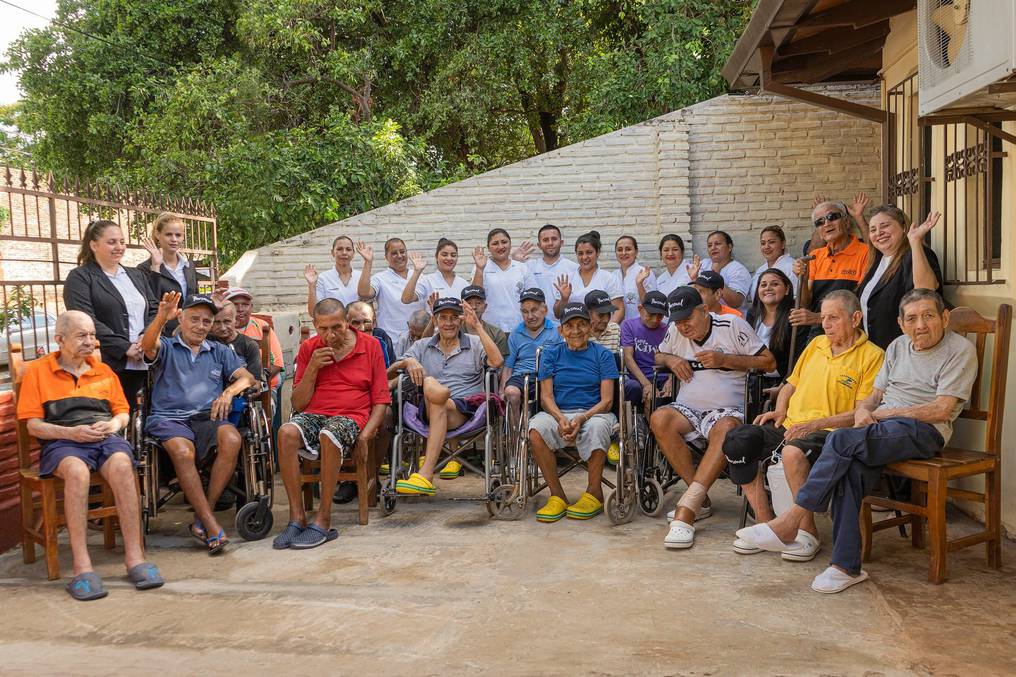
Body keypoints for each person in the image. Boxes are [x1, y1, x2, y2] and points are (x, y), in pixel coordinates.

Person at [736, 289, 977, 594]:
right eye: (912, 318)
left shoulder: (959, 349)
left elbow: (942, 409)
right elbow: (874, 396)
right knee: (850, 469)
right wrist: (864, 411)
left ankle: (791, 520)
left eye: (929, 316)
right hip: (882, 429)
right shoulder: (898, 346)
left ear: (944, 318)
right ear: (901, 323)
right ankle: (846, 566)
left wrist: (885, 414)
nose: (920, 325)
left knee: (841, 441)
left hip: (924, 429)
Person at [722, 291, 884, 559]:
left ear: (856, 318)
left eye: (834, 318)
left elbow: (861, 411)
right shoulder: (817, 344)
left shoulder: (872, 355)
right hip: (792, 426)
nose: (826, 324)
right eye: (823, 318)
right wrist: (780, 410)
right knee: (738, 440)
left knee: (793, 452)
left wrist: (814, 424)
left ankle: (805, 532)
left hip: (831, 432)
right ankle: (765, 524)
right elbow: (789, 384)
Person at [16, 310, 164, 600]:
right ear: (59, 339)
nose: (90, 341)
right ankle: (82, 567)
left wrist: (112, 424)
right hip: (63, 440)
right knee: (77, 471)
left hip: (102, 437)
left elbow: (123, 413)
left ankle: (135, 559)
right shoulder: (38, 372)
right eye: (81, 335)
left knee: (123, 464)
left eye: (92, 335)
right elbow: (33, 425)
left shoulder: (103, 371)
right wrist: (71, 433)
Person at [650, 287, 775, 549]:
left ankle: (688, 507)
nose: (683, 327)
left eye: (688, 320)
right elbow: (658, 355)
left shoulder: (731, 325)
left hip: (727, 409)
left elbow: (769, 362)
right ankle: (701, 500)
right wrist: (671, 359)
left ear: (704, 310)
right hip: (688, 409)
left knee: (727, 427)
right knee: (659, 418)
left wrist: (725, 359)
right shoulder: (676, 331)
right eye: (678, 321)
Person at [140, 292, 256, 555]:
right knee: (183, 451)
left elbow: (247, 378)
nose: (200, 326)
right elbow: (147, 346)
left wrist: (228, 392)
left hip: (207, 417)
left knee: (233, 439)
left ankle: (203, 517)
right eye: (194, 319)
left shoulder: (219, 351)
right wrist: (161, 316)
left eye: (206, 321)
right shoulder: (168, 346)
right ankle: (211, 524)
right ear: (180, 318)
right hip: (170, 417)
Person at [272, 299, 390, 550]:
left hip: (352, 415)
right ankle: (297, 517)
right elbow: (299, 404)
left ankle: (323, 519)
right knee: (286, 433)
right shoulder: (309, 348)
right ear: (315, 325)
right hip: (315, 413)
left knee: (329, 434)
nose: (330, 334)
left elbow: (381, 400)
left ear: (347, 322)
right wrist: (313, 367)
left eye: (337, 327)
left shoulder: (370, 346)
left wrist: (365, 436)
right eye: (323, 329)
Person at [389, 298, 504, 495]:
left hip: (463, 410)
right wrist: (406, 362)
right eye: (443, 318)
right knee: (435, 396)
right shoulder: (422, 346)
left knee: (436, 397)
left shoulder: (475, 343)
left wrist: (476, 325)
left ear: (460, 321)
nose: (448, 323)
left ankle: (425, 475)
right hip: (428, 408)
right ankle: (434, 388)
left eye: (453, 318)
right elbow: (389, 375)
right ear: (435, 320)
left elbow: (497, 361)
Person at [527, 302, 620, 522]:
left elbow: (607, 400)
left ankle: (594, 493)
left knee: (597, 427)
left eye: (581, 324)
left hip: (595, 413)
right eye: (569, 326)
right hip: (558, 412)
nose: (576, 330)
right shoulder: (551, 355)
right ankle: (557, 496)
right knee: (536, 429)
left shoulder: (603, 355)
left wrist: (582, 417)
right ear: (561, 331)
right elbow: (546, 397)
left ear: (589, 327)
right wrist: (560, 418)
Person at [63, 219, 157, 408]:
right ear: (94, 245)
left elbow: (154, 309)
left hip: (145, 358)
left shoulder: (136, 275)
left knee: (143, 417)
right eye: (112, 242)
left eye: (122, 242)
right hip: (108, 362)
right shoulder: (80, 277)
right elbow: (85, 319)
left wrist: (145, 338)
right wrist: (124, 348)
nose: (119, 247)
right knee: (113, 416)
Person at [858, 205, 943, 349]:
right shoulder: (877, 262)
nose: (879, 233)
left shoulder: (916, 254)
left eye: (885, 226)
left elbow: (926, 290)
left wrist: (915, 241)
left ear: (903, 227)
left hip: (907, 349)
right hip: (877, 351)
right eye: (873, 230)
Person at [790, 200, 871, 342]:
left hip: (850, 333)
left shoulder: (865, 252)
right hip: (819, 334)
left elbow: (862, 302)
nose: (826, 224)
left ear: (846, 222)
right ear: (818, 232)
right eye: (819, 222)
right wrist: (802, 278)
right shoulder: (815, 256)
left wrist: (817, 317)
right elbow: (805, 304)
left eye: (832, 217)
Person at [501, 288, 562, 424]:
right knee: (511, 392)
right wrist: (502, 390)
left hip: (547, 376)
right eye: (525, 311)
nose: (529, 316)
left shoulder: (556, 329)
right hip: (521, 376)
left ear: (544, 310)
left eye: (534, 310)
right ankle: (517, 432)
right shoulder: (516, 333)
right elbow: (508, 366)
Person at [138, 212, 198, 335]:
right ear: (158, 234)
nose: (174, 239)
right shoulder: (144, 269)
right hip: (163, 333)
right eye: (169, 234)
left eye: (178, 235)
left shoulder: (189, 265)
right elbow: (150, 303)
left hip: (189, 331)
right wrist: (156, 268)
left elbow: (194, 298)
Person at [357, 237, 426, 336]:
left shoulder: (420, 276)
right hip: (391, 338)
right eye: (394, 253)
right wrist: (368, 262)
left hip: (418, 339)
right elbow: (364, 293)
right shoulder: (380, 278)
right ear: (386, 257)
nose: (399, 256)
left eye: (402, 252)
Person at [553, 231, 623, 324]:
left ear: (598, 252)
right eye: (580, 253)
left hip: (601, 333)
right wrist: (564, 300)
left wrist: (608, 330)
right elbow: (558, 314)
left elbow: (619, 309)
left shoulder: (609, 278)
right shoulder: (568, 279)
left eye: (589, 252)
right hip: (575, 334)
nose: (584, 257)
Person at [471, 228, 531, 332]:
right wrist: (480, 269)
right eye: (495, 243)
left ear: (510, 244)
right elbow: (474, 297)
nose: (500, 246)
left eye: (504, 242)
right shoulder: (480, 267)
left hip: (518, 328)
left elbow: (531, 299)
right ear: (489, 248)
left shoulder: (522, 268)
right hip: (489, 328)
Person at [226, 287, 284, 391]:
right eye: (235, 304)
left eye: (245, 304)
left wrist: (258, 382)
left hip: (263, 383)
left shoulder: (262, 326)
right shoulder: (219, 329)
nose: (240, 309)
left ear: (251, 307)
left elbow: (277, 364)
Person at [620, 290, 669, 407]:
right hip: (639, 377)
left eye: (660, 315)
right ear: (640, 308)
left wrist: (671, 381)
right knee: (647, 394)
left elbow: (674, 357)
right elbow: (628, 357)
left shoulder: (668, 329)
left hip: (663, 377)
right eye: (651, 314)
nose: (655, 319)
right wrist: (646, 384)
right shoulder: (628, 326)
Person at [746, 269, 798, 378]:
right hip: (754, 380)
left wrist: (784, 385)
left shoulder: (795, 315)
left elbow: (799, 357)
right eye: (763, 285)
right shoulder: (752, 314)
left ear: (787, 289)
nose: (768, 288)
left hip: (784, 383)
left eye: (775, 284)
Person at [686, 230, 752, 315]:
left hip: (730, 321)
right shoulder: (703, 264)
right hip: (707, 319)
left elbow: (736, 302)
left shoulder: (738, 270)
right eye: (709, 245)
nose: (713, 248)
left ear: (729, 247)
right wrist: (694, 279)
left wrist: (716, 276)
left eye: (717, 244)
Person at [524, 224, 578, 326]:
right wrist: (514, 259)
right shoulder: (529, 267)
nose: (550, 243)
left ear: (561, 242)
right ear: (539, 245)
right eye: (545, 240)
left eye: (554, 239)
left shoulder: (573, 268)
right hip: (536, 326)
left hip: (564, 325)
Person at [303, 235, 362, 316]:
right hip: (333, 326)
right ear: (332, 252)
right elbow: (313, 313)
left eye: (348, 249)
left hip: (357, 326)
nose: (344, 252)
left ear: (353, 253)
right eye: (339, 249)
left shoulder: (361, 276)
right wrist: (311, 285)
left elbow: (368, 306)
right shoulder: (323, 278)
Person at [402, 238, 469, 308]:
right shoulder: (427, 280)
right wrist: (416, 272)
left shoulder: (463, 283)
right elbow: (406, 299)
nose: (449, 258)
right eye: (444, 255)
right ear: (436, 257)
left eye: (453, 255)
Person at [748, 225, 798, 304]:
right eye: (763, 243)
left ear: (783, 244)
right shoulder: (761, 270)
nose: (766, 247)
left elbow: (796, 299)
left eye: (771, 242)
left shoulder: (791, 267)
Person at [613, 235, 657, 321]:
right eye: (619, 250)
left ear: (636, 252)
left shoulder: (644, 273)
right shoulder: (613, 276)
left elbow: (651, 305)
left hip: (640, 328)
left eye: (628, 249)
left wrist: (639, 284)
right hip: (618, 329)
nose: (623, 253)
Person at [460, 286, 510, 357]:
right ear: (462, 307)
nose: (474, 307)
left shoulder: (496, 333)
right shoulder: (454, 330)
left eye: (478, 303)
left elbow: (501, 364)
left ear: (485, 307)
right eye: (469, 303)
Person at [347, 300, 395, 367]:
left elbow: (391, 372)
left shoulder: (381, 337)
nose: (361, 328)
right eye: (356, 323)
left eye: (366, 322)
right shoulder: (339, 343)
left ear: (374, 323)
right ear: (346, 324)